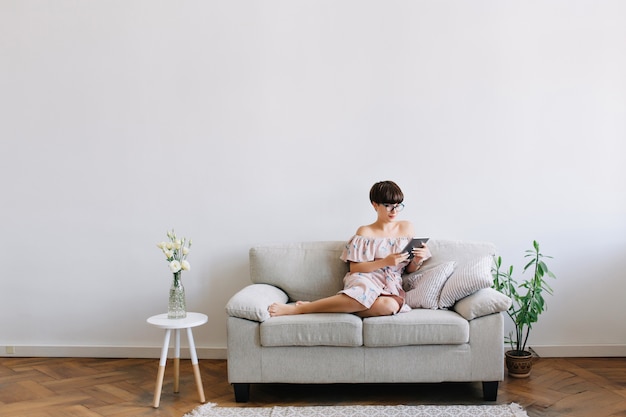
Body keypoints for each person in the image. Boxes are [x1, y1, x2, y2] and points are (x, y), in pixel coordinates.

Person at [268, 180, 431, 318]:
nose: (394, 211)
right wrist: (385, 261)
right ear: (375, 205)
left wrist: (417, 260)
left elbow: (409, 269)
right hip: (366, 278)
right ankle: (302, 309)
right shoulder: (365, 232)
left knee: (389, 306)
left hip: (391, 283)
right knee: (362, 294)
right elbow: (355, 268)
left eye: (397, 205)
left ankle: (343, 307)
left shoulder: (407, 228)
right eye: (388, 206)